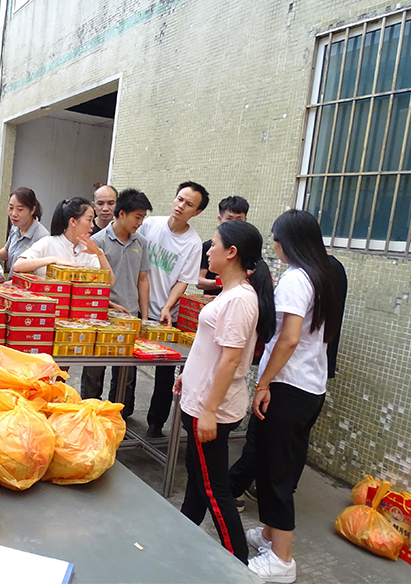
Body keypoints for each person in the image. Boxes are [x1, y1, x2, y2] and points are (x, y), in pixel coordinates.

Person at [245, 209, 342, 583]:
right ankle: (271, 536)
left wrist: (264, 383)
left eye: (275, 239)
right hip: (311, 386)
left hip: (287, 387)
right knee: (284, 464)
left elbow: (288, 338)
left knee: (275, 473)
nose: (274, 245)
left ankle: (281, 561)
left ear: (287, 242)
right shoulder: (324, 275)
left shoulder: (296, 279)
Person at [173, 220, 275, 565]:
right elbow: (211, 349)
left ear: (231, 253)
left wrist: (209, 412)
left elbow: (231, 359)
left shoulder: (241, 300)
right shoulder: (229, 294)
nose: (208, 251)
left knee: (215, 491)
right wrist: (187, 375)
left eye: (213, 245)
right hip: (201, 400)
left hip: (211, 408)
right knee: (198, 479)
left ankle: (237, 562)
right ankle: (182, 536)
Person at [139, 181, 209, 439]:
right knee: (125, 366)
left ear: (197, 212)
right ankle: (121, 414)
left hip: (167, 315)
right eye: (180, 199)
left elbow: (183, 281)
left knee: (165, 371)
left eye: (189, 204)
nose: (181, 206)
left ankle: (156, 424)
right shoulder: (150, 225)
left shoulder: (193, 243)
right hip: (137, 308)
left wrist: (168, 306)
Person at [81, 189, 152, 415]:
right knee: (94, 371)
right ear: (122, 214)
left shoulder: (141, 242)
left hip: (130, 316)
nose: (140, 223)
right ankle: (89, 414)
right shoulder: (98, 241)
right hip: (102, 317)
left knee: (126, 374)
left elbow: (143, 280)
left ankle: (119, 416)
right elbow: (92, 283)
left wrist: (144, 317)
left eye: (142, 218)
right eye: (137, 217)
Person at [12, 196, 115, 282]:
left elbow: (110, 282)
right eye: (89, 220)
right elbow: (18, 266)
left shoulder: (88, 249)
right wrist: (53, 260)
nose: (92, 225)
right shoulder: (48, 242)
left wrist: (100, 254)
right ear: (73, 222)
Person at [198, 196, 250, 296]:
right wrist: (223, 282)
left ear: (245, 220)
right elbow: (199, 282)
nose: (233, 224)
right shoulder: (208, 246)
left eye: (238, 219)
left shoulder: (250, 246)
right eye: (229, 219)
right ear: (220, 219)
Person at [0, 187, 49, 278]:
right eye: (11, 208)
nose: (13, 214)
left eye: (20, 209)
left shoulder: (43, 237)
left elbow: (41, 274)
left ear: (32, 210)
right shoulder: (15, 228)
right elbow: (7, 250)